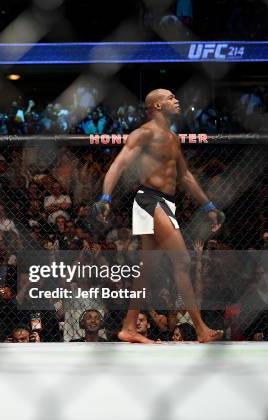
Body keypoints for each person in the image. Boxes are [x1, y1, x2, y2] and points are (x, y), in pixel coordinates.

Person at [93, 88, 225, 344]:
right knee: (182, 261)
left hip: (166, 202)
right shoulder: (143, 134)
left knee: (146, 269)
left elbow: (185, 176)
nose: (177, 101)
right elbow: (119, 164)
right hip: (149, 200)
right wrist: (105, 198)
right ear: (156, 106)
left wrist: (209, 206)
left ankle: (129, 327)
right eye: (171, 98)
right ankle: (200, 328)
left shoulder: (173, 137)